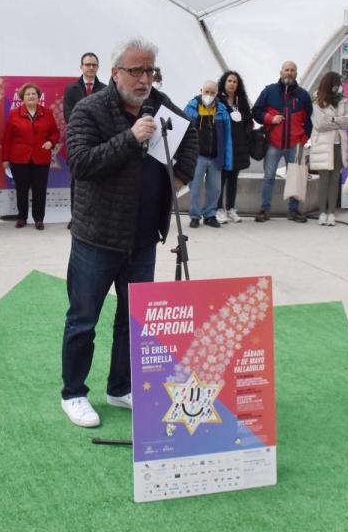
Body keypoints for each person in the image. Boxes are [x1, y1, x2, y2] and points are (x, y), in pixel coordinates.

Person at [60, 37, 197, 428]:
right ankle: (73, 393)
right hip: (96, 238)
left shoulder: (161, 104)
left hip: (142, 238)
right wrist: (130, 137)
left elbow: (190, 140)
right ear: (115, 72)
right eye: (136, 70)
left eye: (149, 70)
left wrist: (177, 180)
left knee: (132, 319)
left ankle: (120, 387)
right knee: (83, 319)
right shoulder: (90, 110)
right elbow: (82, 162)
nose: (144, 79)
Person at [252, 60, 312, 223]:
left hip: (295, 145)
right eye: (286, 69)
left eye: (292, 70)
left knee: (295, 177)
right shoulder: (269, 91)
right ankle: (265, 209)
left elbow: (309, 120)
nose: (289, 72)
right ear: (281, 72)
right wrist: (270, 119)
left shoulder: (303, 95)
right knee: (268, 177)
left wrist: (304, 139)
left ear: (296, 74)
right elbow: (255, 112)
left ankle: (293, 211)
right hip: (273, 143)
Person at [1, 83, 60, 230]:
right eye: (28, 94)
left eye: (34, 94)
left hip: (41, 158)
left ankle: (39, 219)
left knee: (39, 190)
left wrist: (50, 142)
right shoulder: (14, 113)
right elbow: (7, 138)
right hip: (19, 159)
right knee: (21, 189)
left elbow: (55, 133)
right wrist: (5, 159)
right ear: (22, 98)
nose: (31, 96)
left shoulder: (47, 112)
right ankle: (22, 218)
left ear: (39, 97)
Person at [63, 53, 106, 231]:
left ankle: (97, 218)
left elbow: (106, 115)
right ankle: (76, 218)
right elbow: (68, 115)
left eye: (94, 65)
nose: (90, 68)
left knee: (99, 181)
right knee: (77, 181)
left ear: (97, 67)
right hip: (78, 142)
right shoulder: (71, 89)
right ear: (81, 67)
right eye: (87, 64)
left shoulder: (105, 88)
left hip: (99, 142)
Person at [183, 80, 231, 228]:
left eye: (212, 92)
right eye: (206, 92)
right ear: (201, 90)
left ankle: (210, 215)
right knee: (195, 188)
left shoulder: (222, 109)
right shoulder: (191, 107)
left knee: (215, 189)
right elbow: (183, 131)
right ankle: (195, 216)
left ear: (217, 93)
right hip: (197, 156)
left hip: (216, 157)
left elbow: (227, 136)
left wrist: (227, 159)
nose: (209, 95)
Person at [309, 72, 348, 227]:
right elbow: (320, 124)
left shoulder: (343, 101)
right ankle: (322, 212)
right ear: (329, 83)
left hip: (339, 144)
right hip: (323, 145)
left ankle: (331, 213)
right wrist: (338, 122)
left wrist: (333, 120)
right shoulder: (317, 100)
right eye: (336, 83)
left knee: (335, 180)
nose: (339, 86)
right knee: (324, 180)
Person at [215, 70, 252, 224]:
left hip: (239, 146)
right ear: (224, 82)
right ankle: (218, 209)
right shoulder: (218, 100)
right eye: (229, 81)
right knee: (221, 178)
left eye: (235, 81)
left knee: (233, 179)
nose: (232, 84)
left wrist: (247, 133)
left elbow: (249, 120)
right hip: (224, 145)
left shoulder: (242, 101)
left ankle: (231, 208)